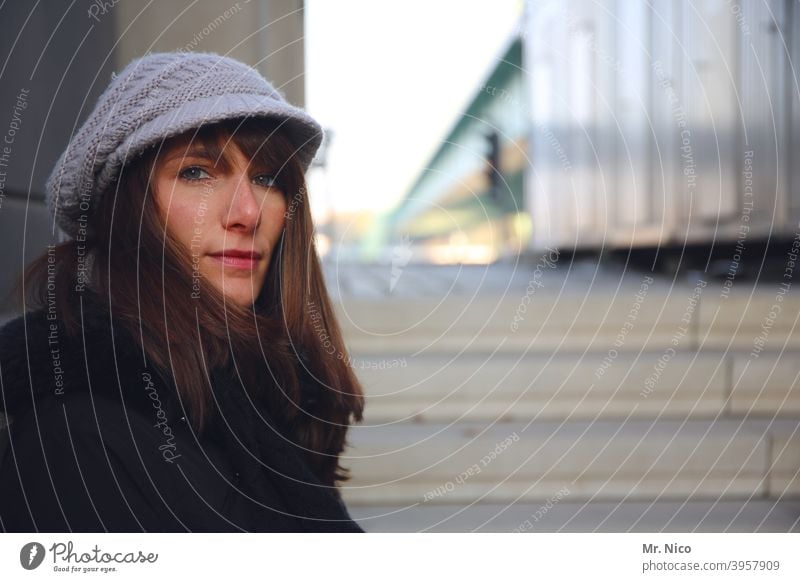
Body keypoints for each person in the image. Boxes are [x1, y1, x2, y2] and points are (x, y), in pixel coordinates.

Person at [0, 52, 365, 532]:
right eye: (197, 172)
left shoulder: (265, 400)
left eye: (267, 177)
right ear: (125, 211)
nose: (247, 212)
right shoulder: (76, 438)